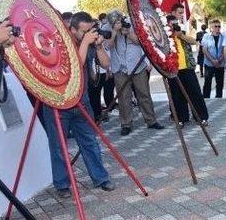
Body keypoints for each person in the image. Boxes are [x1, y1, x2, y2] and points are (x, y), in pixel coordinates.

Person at [42, 12, 114, 198]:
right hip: (58, 103)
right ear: (71, 29)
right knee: (59, 146)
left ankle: (101, 178)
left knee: (89, 141)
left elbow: (106, 64)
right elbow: (73, 70)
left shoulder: (88, 43)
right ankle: (62, 184)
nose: (87, 34)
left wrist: (98, 47)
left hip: (82, 102)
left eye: (89, 30)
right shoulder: (58, 43)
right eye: (83, 31)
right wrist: (84, 43)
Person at [103, 12, 164, 136]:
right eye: (114, 21)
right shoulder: (106, 28)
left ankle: (151, 120)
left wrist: (128, 33)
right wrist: (115, 32)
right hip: (119, 68)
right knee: (123, 97)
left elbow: (140, 42)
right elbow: (108, 46)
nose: (118, 22)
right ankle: (126, 124)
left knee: (144, 93)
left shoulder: (133, 24)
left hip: (137, 66)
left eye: (119, 20)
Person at [167, 4, 209, 124]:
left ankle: (201, 117)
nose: (181, 15)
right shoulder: (164, 28)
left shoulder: (183, 27)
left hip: (187, 66)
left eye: (182, 13)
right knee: (177, 95)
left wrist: (181, 35)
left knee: (195, 92)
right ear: (173, 13)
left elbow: (194, 41)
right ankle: (181, 119)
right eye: (179, 13)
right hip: (173, 68)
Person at [201, 19, 225, 98]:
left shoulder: (223, 37)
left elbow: (225, 50)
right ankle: (206, 98)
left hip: (220, 63)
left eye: (219, 26)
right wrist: (212, 60)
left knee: (220, 82)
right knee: (208, 82)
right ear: (211, 27)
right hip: (209, 63)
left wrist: (219, 60)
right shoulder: (206, 36)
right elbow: (204, 49)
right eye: (216, 26)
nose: (218, 28)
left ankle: (219, 97)